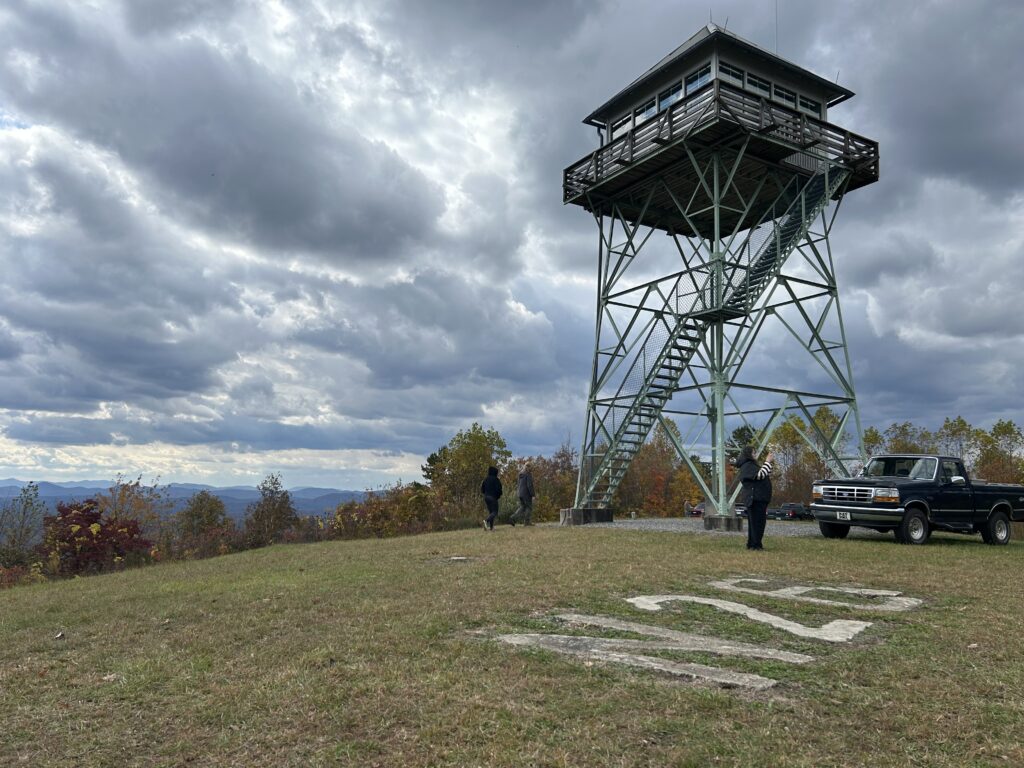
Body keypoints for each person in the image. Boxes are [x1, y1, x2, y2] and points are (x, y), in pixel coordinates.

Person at [735, 445, 773, 550]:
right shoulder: (748, 465)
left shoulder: (748, 465)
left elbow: (765, 473)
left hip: (756, 498)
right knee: (758, 523)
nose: (755, 454)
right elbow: (760, 475)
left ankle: (752, 544)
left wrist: (768, 464)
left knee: (754, 523)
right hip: (756, 498)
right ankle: (756, 545)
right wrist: (767, 462)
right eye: (753, 452)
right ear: (748, 454)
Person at [480, 466, 502, 531]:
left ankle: (491, 527)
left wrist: (486, 493)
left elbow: (482, 489)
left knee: (491, 512)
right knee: (495, 512)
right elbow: (499, 489)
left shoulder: (485, 479)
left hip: (486, 497)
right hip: (493, 497)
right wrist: (498, 495)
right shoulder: (496, 479)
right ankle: (486, 521)